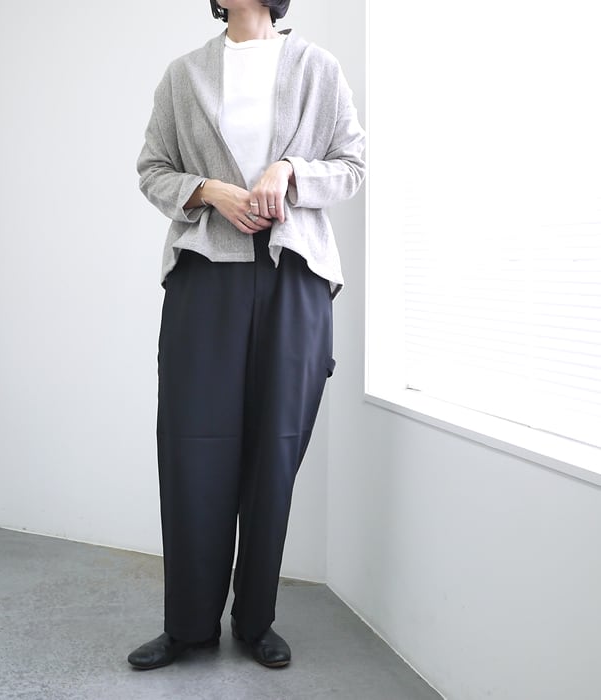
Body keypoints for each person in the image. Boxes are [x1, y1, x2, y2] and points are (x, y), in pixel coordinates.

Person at [127, 0, 365, 671]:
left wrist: (290, 172)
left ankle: (256, 620)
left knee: (275, 449)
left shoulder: (318, 68)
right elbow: (152, 169)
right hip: (206, 274)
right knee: (191, 448)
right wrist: (209, 190)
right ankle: (189, 627)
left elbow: (352, 165)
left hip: (295, 276)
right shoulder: (184, 75)